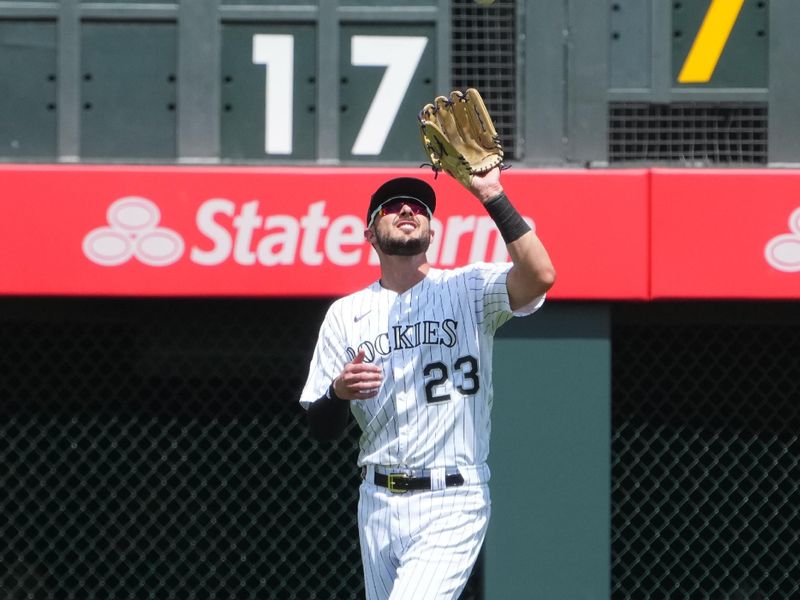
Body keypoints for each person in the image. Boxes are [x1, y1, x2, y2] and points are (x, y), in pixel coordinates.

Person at [299, 165, 556, 600]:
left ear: (432, 232)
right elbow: (321, 429)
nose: (407, 209)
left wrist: (493, 195)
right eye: (392, 206)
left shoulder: (469, 288)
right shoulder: (346, 314)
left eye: (419, 207)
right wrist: (338, 393)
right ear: (369, 234)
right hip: (378, 500)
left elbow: (540, 276)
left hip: (452, 496)